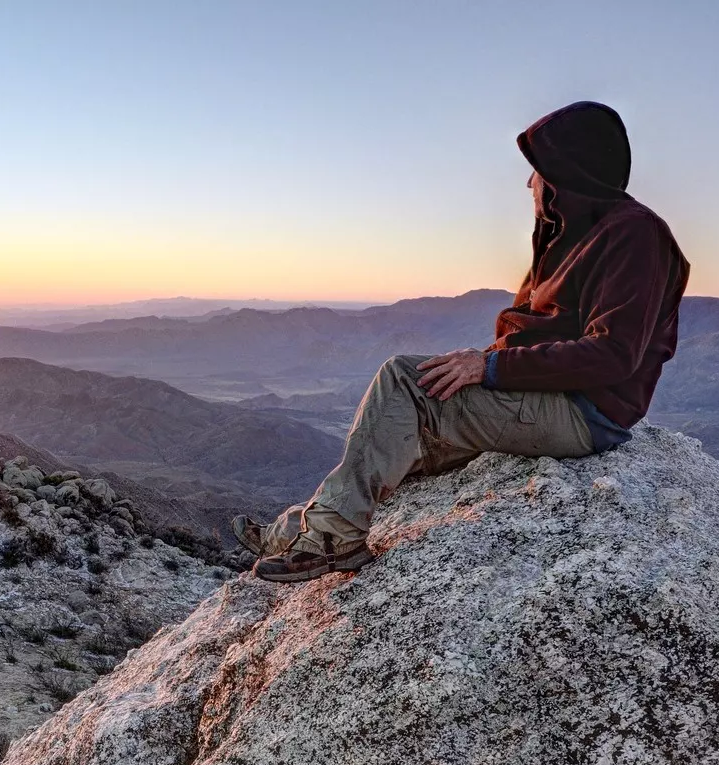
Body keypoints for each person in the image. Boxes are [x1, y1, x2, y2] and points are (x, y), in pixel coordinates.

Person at [240, 101, 691, 582]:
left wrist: (489, 368)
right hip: (547, 396)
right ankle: (293, 531)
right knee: (393, 441)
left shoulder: (634, 234)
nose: (528, 183)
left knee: (404, 381)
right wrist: (485, 363)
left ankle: (333, 543)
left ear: (566, 171)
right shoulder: (570, 236)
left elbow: (614, 354)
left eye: (536, 171)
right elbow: (538, 331)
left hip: (582, 411)